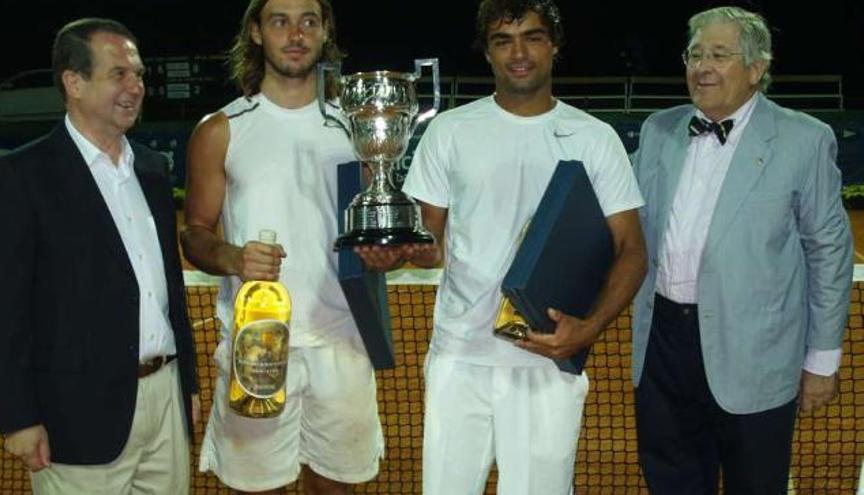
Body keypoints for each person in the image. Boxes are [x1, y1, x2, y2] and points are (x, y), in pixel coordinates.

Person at [358, 1, 647, 493]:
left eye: (533, 37)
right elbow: (431, 242)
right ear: (487, 53)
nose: (519, 53)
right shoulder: (450, 131)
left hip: (547, 360)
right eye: (502, 40)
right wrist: (397, 250)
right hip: (459, 358)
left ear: (554, 45)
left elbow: (633, 250)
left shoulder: (595, 139)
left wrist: (588, 329)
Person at [631, 6, 853, 494]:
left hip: (757, 352)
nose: (702, 66)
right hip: (663, 344)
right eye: (694, 54)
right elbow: (616, 217)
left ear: (757, 68)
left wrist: (822, 360)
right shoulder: (657, 130)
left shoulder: (805, 139)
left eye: (719, 54)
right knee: (671, 482)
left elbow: (829, 250)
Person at [0, 17, 199, 494]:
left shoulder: (152, 169)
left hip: (163, 401)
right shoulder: (21, 177)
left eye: (139, 74)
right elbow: (3, 310)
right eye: (118, 74)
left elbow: (170, 288)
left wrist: (187, 385)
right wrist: (18, 418)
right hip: (74, 414)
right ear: (74, 82)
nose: (135, 87)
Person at [180, 0, 383, 493]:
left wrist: (382, 251)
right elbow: (195, 232)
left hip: (343, 341)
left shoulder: (358, 130)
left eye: (308, 21)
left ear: (324, 32)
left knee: (333, 487)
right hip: (257, 345)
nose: (295, 34)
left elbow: (371, 228)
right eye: (279, 21)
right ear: (255, 33)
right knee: (257, 489)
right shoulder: (220, 129)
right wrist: (232, 257)